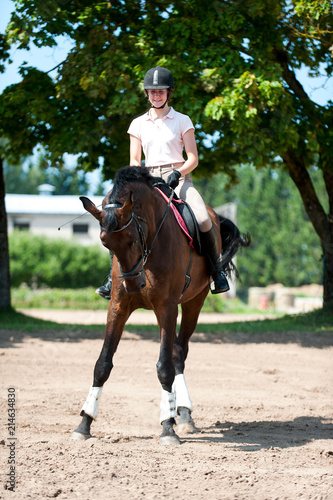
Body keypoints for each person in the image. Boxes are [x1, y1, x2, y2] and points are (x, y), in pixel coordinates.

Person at [96, 66, 229, 299]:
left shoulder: (182, 120)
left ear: (169, 93)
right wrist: (140, 180)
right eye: (152, 92)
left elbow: (193, 158)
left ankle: (217, 270)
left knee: (202, 217)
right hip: (147, 180)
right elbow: (135, 159)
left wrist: (177, 174)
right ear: (147, 94)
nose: (156, 96)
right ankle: (112, 278)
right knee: (115, 219)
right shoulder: (138, 123)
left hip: (178, 178)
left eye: (161, 92)